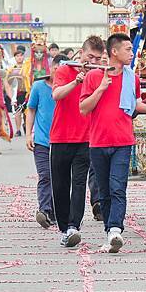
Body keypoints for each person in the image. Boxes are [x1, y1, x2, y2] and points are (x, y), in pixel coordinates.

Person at [80, 34, 146, 253]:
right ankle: (109, 231)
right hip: (99, 142)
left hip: (123, 141)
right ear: (114, 52)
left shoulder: (133, 78)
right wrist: (101, 88)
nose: (132, 53)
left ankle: (115, 229)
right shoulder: (93, 76)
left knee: (118, 187)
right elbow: (84, 108)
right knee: (104, 191)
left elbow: (136, 105)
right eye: (128, 49)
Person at [49, 36, 99, 247]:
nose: (93, 62)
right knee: (60, 186)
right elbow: (57, 94)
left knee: (79, 184)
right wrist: (76, 81)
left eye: (98, 58)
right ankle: (64, 227)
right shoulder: (63, 70)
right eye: (90, 57)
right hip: (61, 137)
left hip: (85, 139)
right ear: (81, 53)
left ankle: (73, 226)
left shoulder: (99, 75)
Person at [26, 54, 67, 228]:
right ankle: (44, 210)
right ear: (52, 68)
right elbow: (31, 110)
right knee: (45, 175)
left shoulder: (69, 88)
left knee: (60, 178)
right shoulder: (38, 87)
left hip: (62, 140)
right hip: (42, 141)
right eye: (56, 69)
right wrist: (29, 134)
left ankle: (56, 211)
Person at [7, 49, 27, 136]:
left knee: (27, 111)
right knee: (17, 111)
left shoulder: (27, 67)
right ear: (15, 57)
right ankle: (18, 130)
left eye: (21, 55)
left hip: (26, 92)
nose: (19, 57)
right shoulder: (11, 69)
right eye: (17, 56)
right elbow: (8, 81)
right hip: (17, 93)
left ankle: (26, 126)